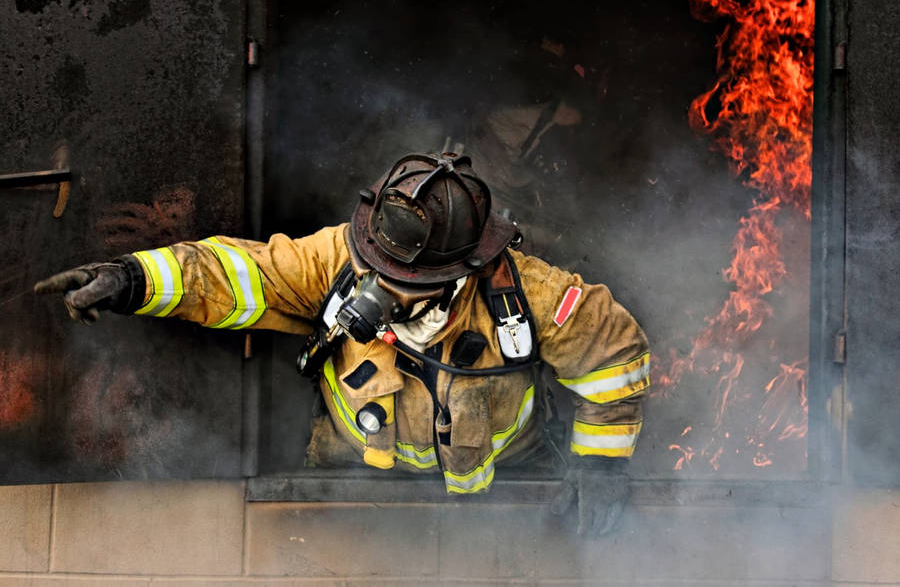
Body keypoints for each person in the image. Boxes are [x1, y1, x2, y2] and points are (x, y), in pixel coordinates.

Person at [35, 153, 649, 535]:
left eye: (402, 283)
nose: (378, 289)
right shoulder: (334, 258)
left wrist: (600, 466)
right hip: (351, 492)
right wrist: (132, 278)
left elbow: (614, 361)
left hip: (502, 500)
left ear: (457, 273)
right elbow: (233, 273)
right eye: (374, 268)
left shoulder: (531, 294)